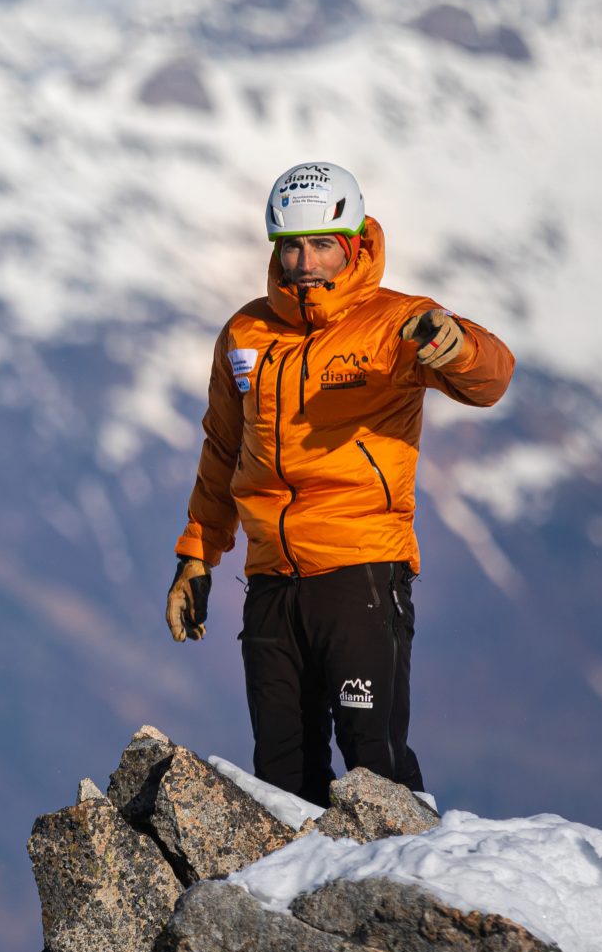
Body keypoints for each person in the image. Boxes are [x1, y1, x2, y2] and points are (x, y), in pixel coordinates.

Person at [163, 161, 514, 806]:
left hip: (361, 573)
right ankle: (299, 908)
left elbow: (492, 380)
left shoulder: (399, 323)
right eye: (290, 245)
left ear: (354, 244)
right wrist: (197, 555)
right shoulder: (244, 333)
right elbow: (222, 446)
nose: (305, 262)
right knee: (281, 774)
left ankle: (412, 896)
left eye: (322, 244)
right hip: (270, 580)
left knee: (373, 762)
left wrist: (457, 345)